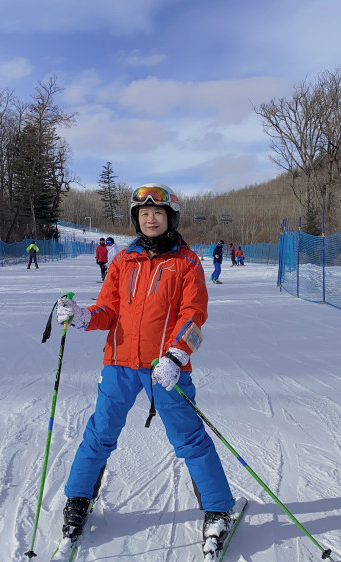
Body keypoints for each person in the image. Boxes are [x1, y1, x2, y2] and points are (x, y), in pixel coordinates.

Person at [54, 182, 236, 555]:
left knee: (189, 439)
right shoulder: (123, 260)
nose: (150, 219)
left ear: (170, 218)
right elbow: (109, 309)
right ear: (136, 220)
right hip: (119, 364)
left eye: (158, 213)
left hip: (165, 368)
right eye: (143, 214)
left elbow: (195, 317)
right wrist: (84, 316)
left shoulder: (186, 263)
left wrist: (177, 355)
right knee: (100, 434)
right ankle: (78, 499)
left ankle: (217, 509)